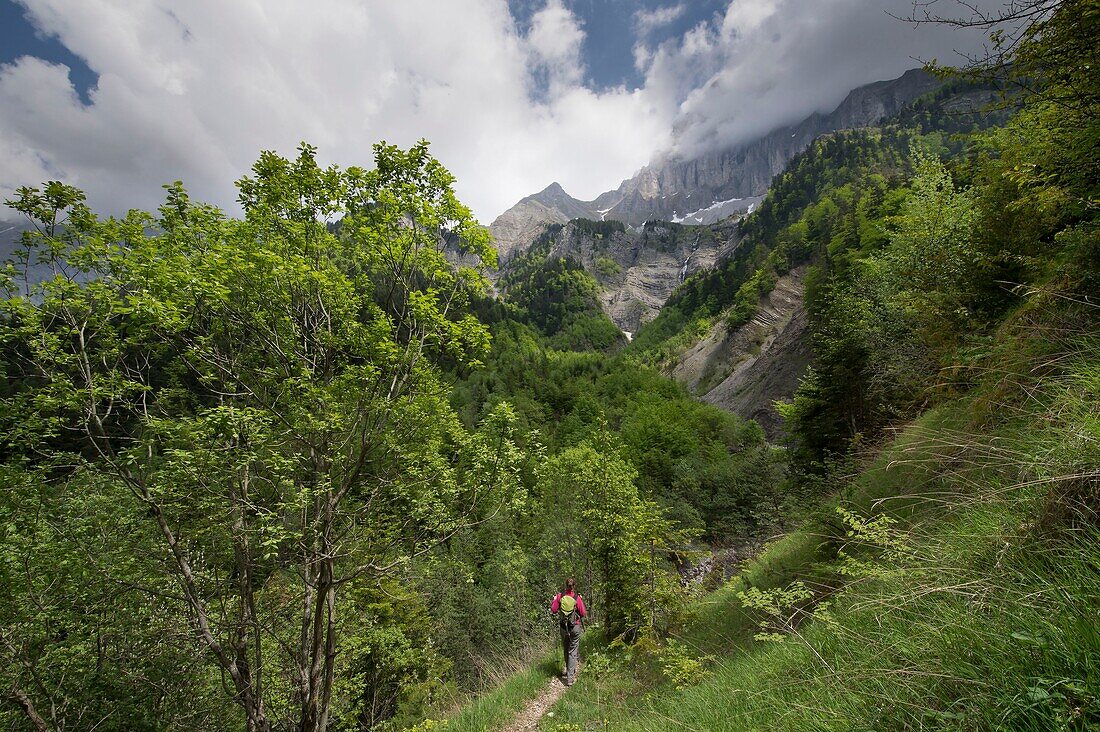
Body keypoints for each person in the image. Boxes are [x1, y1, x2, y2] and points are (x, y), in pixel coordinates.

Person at [550, 577, 587, 686]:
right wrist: (580, 600)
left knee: (566, 649)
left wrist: (554, 599)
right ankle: (570, 678)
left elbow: (553, 610)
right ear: (574, 586)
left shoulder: (560, 596)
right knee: (573, 651)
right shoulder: (576, 598)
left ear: (565, 585)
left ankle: (568, 670)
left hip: (563, 627)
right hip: (575, 627)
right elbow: (583, 613)